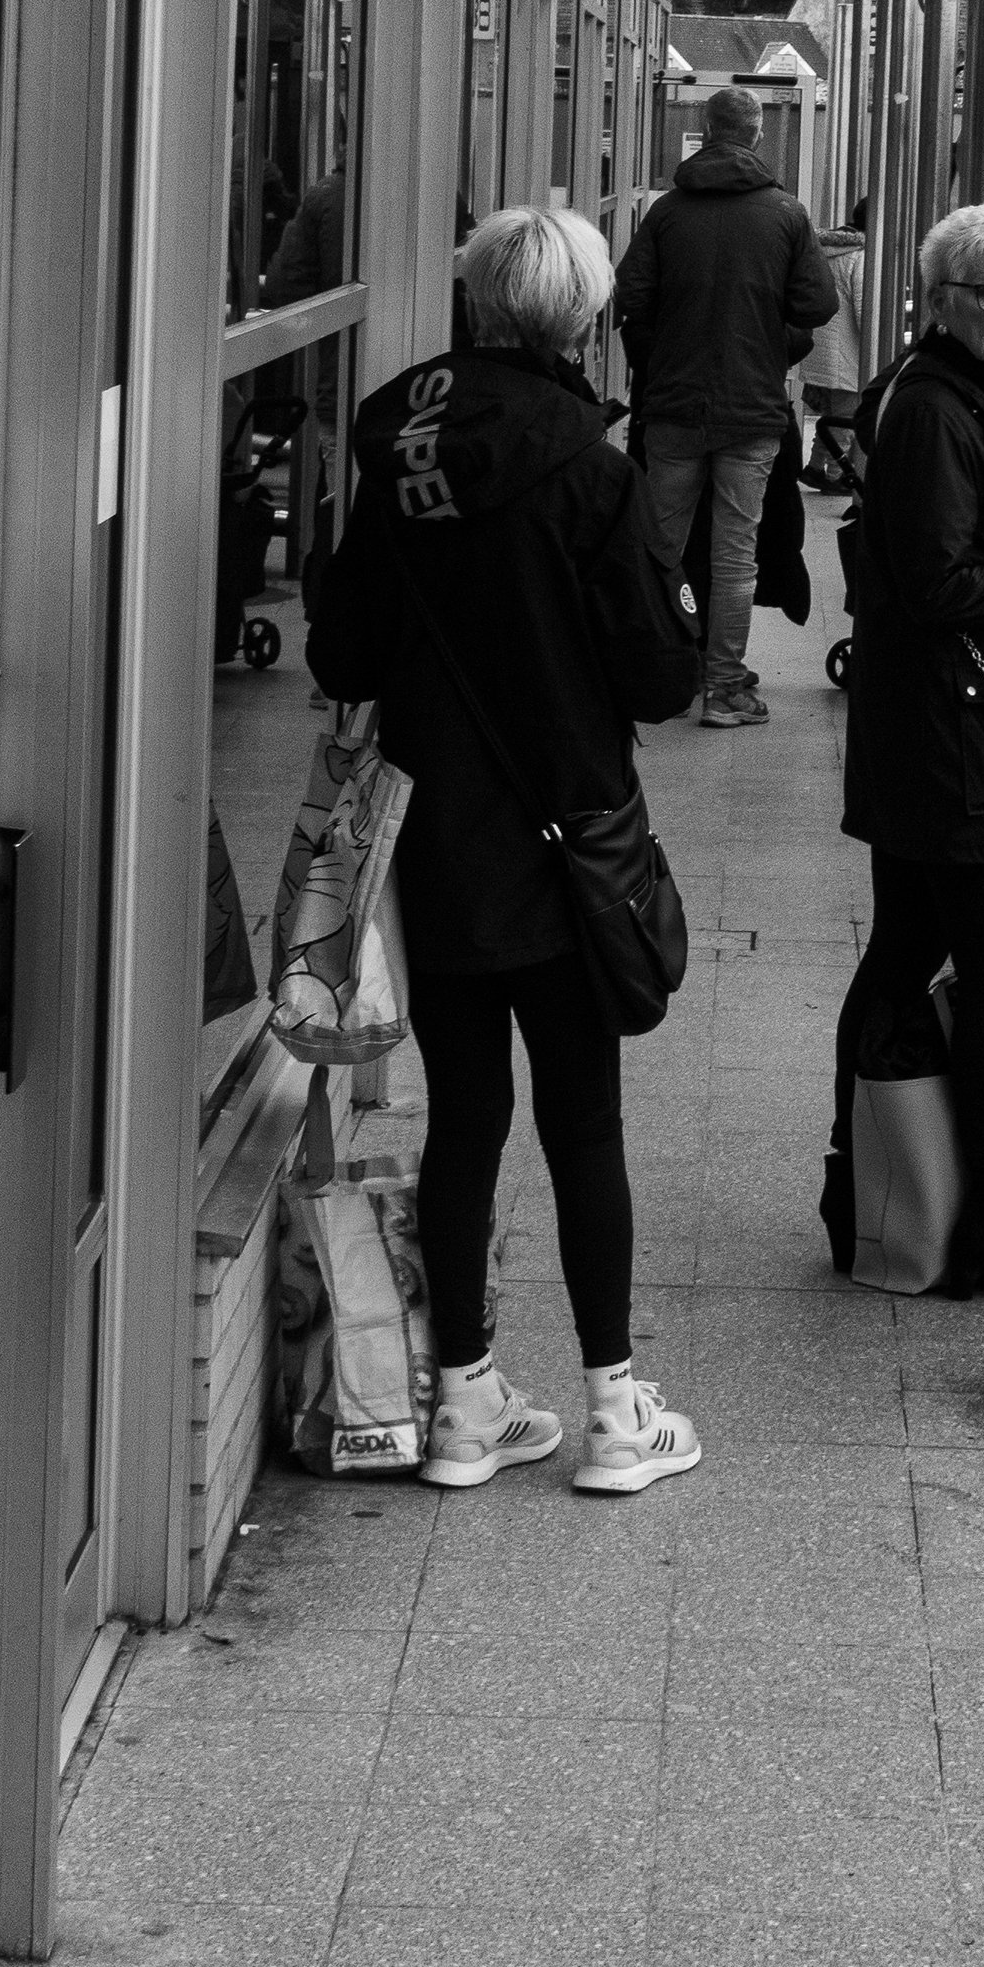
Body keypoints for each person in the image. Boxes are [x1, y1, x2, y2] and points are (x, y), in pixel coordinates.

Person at [306, 205, 706, 1498]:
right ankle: (611, 1413)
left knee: (465, 1115)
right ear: (582, 319)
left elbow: (345, 653)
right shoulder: (590, 469)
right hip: (565, 838)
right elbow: (655, 675)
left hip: (433, 836)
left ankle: (465, 1406)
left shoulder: (398, 446)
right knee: (581, 1119)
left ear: (477, 307)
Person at [827, 201, 984, 1293]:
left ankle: (865, 1184)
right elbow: (937, 583)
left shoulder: (982, 396)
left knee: (906, 951)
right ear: (943, 298)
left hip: (941, 735)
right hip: (950, 741)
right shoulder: (940, 409)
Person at [615, 85, 837, 728]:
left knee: (662, 545)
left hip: (673, 409)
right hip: (751, 410)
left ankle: (659, 670)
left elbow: (631, 294)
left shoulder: (665, 215)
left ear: (706, 132)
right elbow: (816, 307)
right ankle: (724, 688)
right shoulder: (787, 215)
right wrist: (770, 338)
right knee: (737, 550)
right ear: (757, 134)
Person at [801, 198, 867, 488]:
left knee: (832, 416)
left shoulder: (825, 250)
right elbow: (866, 311)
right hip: (847, 352)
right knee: (846, 419)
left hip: (821, 348)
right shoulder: (860, 256)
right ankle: (835, 476)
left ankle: (815, 468)